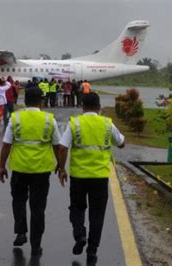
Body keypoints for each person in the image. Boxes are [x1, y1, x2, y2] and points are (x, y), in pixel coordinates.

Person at [57, 92, 125, 264]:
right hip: (100, 178)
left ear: (82, 107)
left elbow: (63, 148)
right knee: (97, 215)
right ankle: (92, 251)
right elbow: (121, 142)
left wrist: (61, 169)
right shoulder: (107, 124)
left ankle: (80, 235)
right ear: (99, 107)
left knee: (77, 208)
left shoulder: (75, 123)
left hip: (79, 177)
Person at [0, 87, 61, 256]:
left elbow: (6, 145)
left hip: (19, 168)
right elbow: (57, 145)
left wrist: (1, 166)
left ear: (24, 101)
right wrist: (61, 165)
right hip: (42, 170)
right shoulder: (49, 119)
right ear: (41, 101)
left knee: (18, 201)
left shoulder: (16, 118)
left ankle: (21, 232)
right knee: (38, 207)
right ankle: (36, 245)